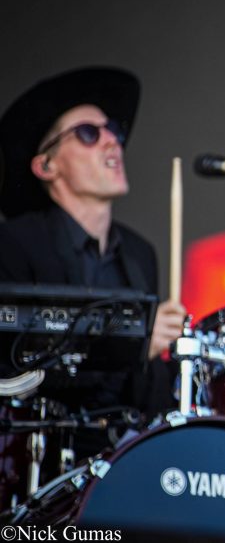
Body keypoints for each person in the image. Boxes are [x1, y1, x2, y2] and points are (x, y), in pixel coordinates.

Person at [0, 66, 186, 460]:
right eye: (88, 133)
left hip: (122, 459)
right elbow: (17, 375)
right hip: (40, 461)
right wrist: (133, 346)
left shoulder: (139, 254)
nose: (112, 141)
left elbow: (140, 390)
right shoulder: (14, 245)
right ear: (46, 166)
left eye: (113, 130)